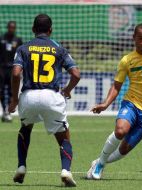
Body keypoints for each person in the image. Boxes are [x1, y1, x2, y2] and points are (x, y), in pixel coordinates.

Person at [86, 23, 142, 180]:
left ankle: (99, 161)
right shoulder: (126, 60)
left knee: (124, 149)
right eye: (140, 39)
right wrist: (106, 104)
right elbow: (116, 86)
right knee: (120, 131)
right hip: (131, 103)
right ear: (133, 38)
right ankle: (100, 165)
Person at [8, 14, 80, 187]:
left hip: (29, 96)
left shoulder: (23, 48)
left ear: (33, 29)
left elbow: (16, 73)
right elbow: (76, 74)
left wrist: (14, 99)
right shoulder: (58, 48)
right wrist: (67, 90)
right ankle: (65, 170)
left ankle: (21, 166)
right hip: (51, 96)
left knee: (25, 129)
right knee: (64, 137)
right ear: (50, 30)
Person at [0, 21, 22, 122]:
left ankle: (8, 111)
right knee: (1, 90)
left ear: (15, 28)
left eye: (13, 28)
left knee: (10, 90)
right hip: (2, 68)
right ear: (7, 27)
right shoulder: (2, 39)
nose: (11, 29)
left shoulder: (18, 40)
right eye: (10, 27)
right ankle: (4, 110)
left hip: (13, 69)